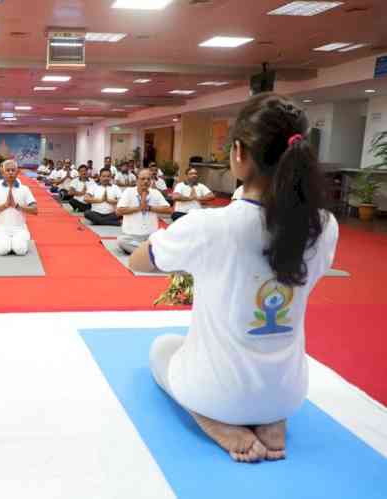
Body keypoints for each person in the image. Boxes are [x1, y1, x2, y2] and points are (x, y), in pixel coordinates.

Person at [129, 93, 338, 463]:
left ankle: (210, 419)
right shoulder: (324, 226)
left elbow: (139, 262)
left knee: (162, 347)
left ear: (239, 154)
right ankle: (271, 419)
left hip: (218, 394)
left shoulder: (211, 226)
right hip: (289, 395)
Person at [0, 160, 38, 255]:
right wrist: (4, 205)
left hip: (19, 228)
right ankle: (1, 244)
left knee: (20, 251)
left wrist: (17, 206)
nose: (10, 172)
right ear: (3, 172)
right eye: (7, 170)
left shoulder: (24, 189)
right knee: (3, 250)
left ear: (17, 172)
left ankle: (14, 243)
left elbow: (35, 210)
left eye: (13, 170)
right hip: (1, 228)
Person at [115, 168, 172, 254]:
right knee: (121, 240)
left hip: (151, 235)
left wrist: (149, 208)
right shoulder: (129, 192)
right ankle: (150, 251)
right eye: (143, 179)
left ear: (151, 181)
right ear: (137, 180)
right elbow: (118, 211)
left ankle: (142, 251)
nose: (145, 181)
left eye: (148, 179)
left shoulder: (155, 192)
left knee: (166, 237)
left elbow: (168, 210)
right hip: (132, 236)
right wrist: (139, 208)